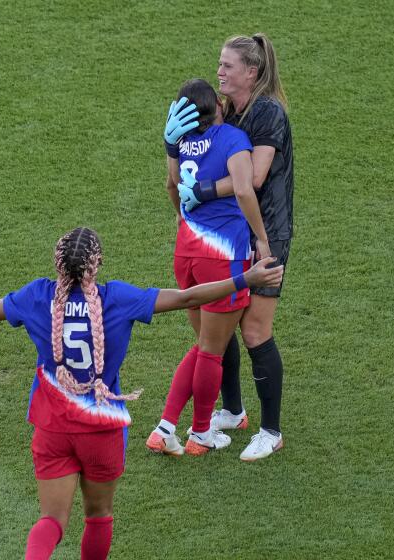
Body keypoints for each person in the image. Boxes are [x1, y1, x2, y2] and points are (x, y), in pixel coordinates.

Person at [0, 227, 282, 560]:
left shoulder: (37, 298)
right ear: (97, 265)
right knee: (98, 515)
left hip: (53, 427)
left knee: (51, 522)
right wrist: (245, 280)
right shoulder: (118, 300)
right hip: (103, 430)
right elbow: (188, 297)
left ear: (57, 264)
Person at [164, 33, 293, 462]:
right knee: (225, 320)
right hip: (236, 236)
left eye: (227, 66)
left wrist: (199, 190)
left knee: (255, 330)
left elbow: (252, 179)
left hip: (267, 232)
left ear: (251, 72)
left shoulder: (268, 113)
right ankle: (233, 411)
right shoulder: (229, 113)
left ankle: (270, 431)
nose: (219, 71)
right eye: (219, 65)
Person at [147, 79, 271, 457]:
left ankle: (169, 428)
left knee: (205, 345)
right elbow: (245, 188)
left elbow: (172, 186)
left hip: (186, 253)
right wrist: (262, 239)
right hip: (222, 256)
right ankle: (198, 433)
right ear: (218, 104)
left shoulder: (181, 145)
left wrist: (188, 222)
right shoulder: (232, 138)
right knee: (210, 351)